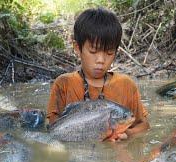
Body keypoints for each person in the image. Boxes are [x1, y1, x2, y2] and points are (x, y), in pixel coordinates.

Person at [46, 7, 149, 140]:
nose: (101, 60)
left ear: (116, 52)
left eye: (109, 52)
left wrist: (126, 134)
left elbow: (144, 126)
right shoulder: (63, 84)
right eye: (93, 51)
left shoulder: (126, 85)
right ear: (77, 48)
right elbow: (54, 129)